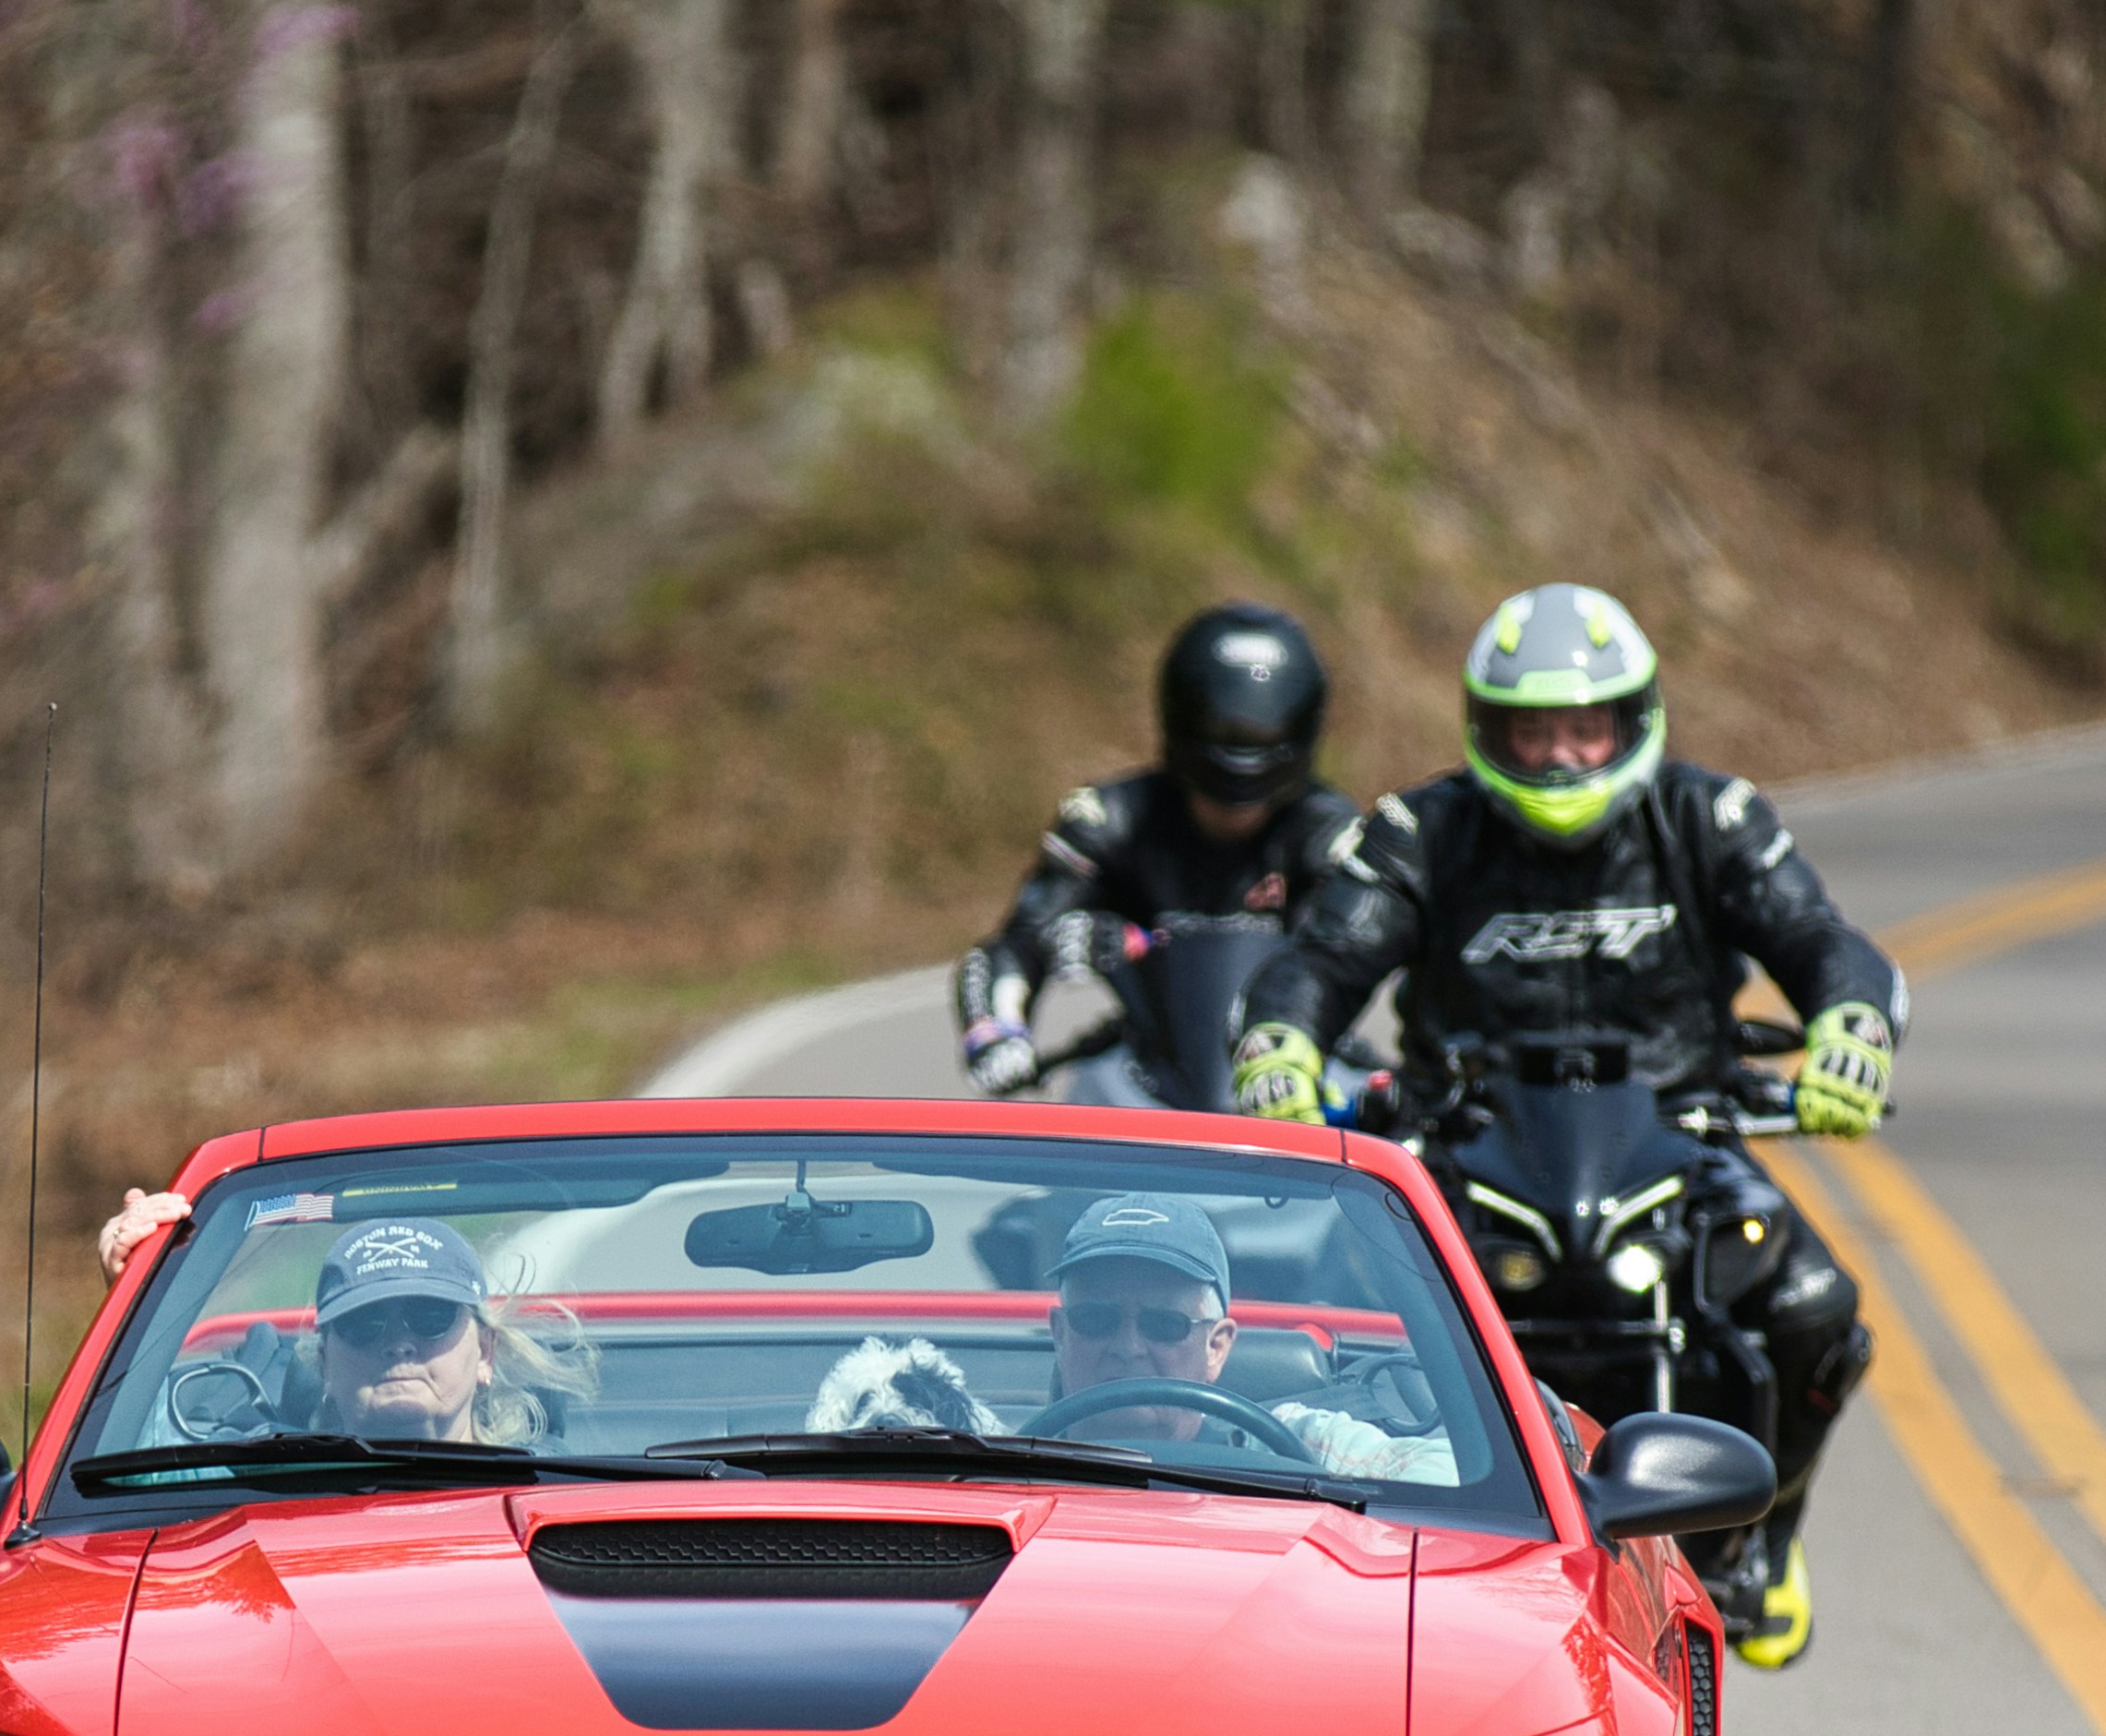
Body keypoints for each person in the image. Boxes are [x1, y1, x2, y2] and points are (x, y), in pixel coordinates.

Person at [1226, 581, 1898, 1666]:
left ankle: (1763, 1537)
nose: (1558, 757)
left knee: (1815, 1307)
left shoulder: (1709, 817)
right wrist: (1279, 1048)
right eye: (1530, 730)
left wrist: (1850, 1027)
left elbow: (1824, 939)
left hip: (1684, 1147)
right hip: (1465, 1153)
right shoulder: (1419, 829)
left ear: (1631, 722)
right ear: (1484, 729)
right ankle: (1343, 1575)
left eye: (1583, 727)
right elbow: (1313, 964)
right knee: (1311, 1333)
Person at [952, 603, 1343, 1099]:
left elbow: (1370, 942)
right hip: (1141, 1077)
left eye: (1260, 736)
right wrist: (998, 1034)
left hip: (1292, 1076)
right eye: (1225, 731)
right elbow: (1017, 943)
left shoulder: (1330, 831)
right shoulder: (1109, 818)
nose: (1239, 758)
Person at [813, 1193, 1450, 1483]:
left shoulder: (1300, 1441)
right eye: (1096, 1320)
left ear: (1219, 1345)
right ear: (1059, 1334)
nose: (1127, 1345)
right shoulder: (995, 1462)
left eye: (1163, 1324)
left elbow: (1447, 1482)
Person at [138, 1213, 595, 1454]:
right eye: (364, 1324)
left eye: (429, 1316)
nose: (398, 1343)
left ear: (486, 1353)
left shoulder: (548, 1486)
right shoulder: (253, 1483)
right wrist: (138, 1291)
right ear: (324, 1364)